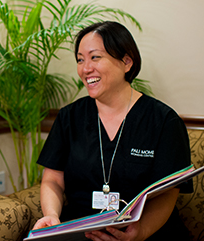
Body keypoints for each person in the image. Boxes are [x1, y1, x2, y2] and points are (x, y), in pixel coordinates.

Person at [33, 21, 192, 240]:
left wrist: (141, 232)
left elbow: (168, 194)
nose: (85, 68)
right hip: (82, 231)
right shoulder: (69, 117)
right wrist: (52, 215)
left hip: (145, 234)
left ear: (127, 62)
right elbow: (53, 180)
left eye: (95, 57)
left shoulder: (164, 121)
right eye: (80, 59)